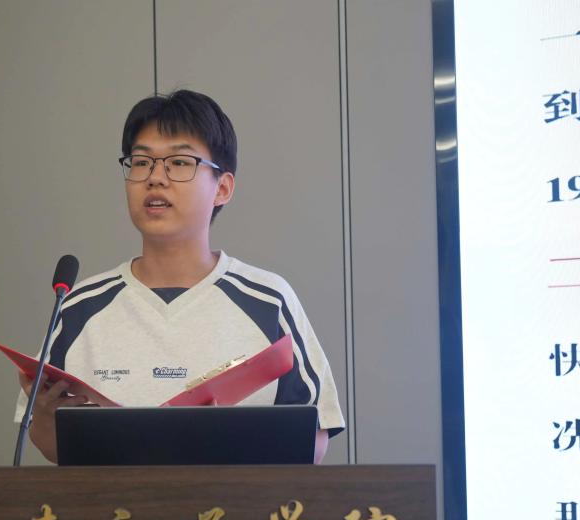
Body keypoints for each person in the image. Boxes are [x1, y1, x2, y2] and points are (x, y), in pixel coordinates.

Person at [17, 89, 344, 463]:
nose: (155, 177)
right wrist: (44, 420)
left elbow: (315, 437)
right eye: (141, 162)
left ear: (222, 188)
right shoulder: (78, 307)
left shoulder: (269, 300)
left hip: (234, 502)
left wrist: (222, 442)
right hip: (112, 503)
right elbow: (47, 441)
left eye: (179, 162)